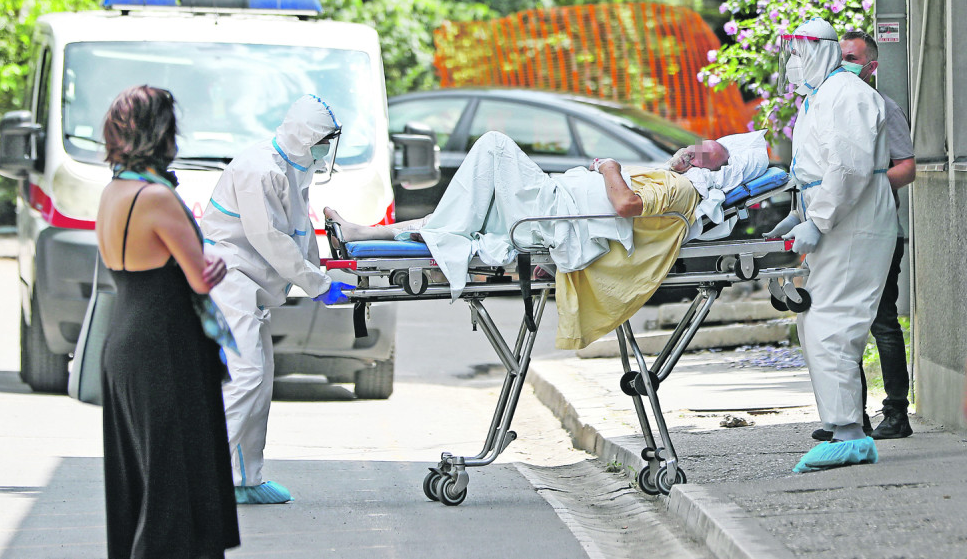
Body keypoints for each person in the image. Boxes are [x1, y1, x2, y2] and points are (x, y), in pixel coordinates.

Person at [325, 129, 769, 349]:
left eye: (701, 154)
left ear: (711, 171)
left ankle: (386, 233)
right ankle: (362, 232)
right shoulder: (677, 180)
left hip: (552, 216)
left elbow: (626, 207)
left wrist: (608, 167)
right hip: (549, 212)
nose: (689, 150)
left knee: (495, 145)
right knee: (461, 217)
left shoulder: (683, 189)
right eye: (695, 145)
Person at [96, 85, 240, 557]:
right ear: (162, 135)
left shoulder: (113, 191)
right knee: (175, 488)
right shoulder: (157, 197)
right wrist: (213, 265)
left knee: (140, 485)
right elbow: (200, 277)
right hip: (166, 347)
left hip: (125, 340)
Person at [201, 94, 353, 505]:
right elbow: (268, 238)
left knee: (260, 380)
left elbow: (300, 233)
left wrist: (324, 276)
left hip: (251, 285)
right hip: (228, 280)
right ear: (308, 137)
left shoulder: (294, 167)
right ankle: (202, 475)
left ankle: (245, 479)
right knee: (246, 376)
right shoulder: (259, 169)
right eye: (326, 138)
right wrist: (317, 284)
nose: (328, 146)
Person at [766, 17, 898, 473]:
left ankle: (849, 435)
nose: (794, 64)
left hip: (853, 218)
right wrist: (800, 214)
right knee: (817, 319)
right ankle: (844, 429)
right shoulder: (820, 98)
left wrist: (817, 220)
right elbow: (817, 168)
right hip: (836, 215)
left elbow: (849, 169)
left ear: (820, 52)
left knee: (832, 322)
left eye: (799, 54)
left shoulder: (849, 95)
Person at [807, 30, 914, 442]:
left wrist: (865, 190)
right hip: (846, 229)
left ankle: (896, 412)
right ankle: (854, 416)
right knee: (841, 320)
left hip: (878, 231)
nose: (844, 63)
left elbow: (906, 166)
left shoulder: (882, 106)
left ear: (871, 66)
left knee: (881, 321)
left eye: (853, 57)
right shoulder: (830, 102)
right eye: (841, 56)